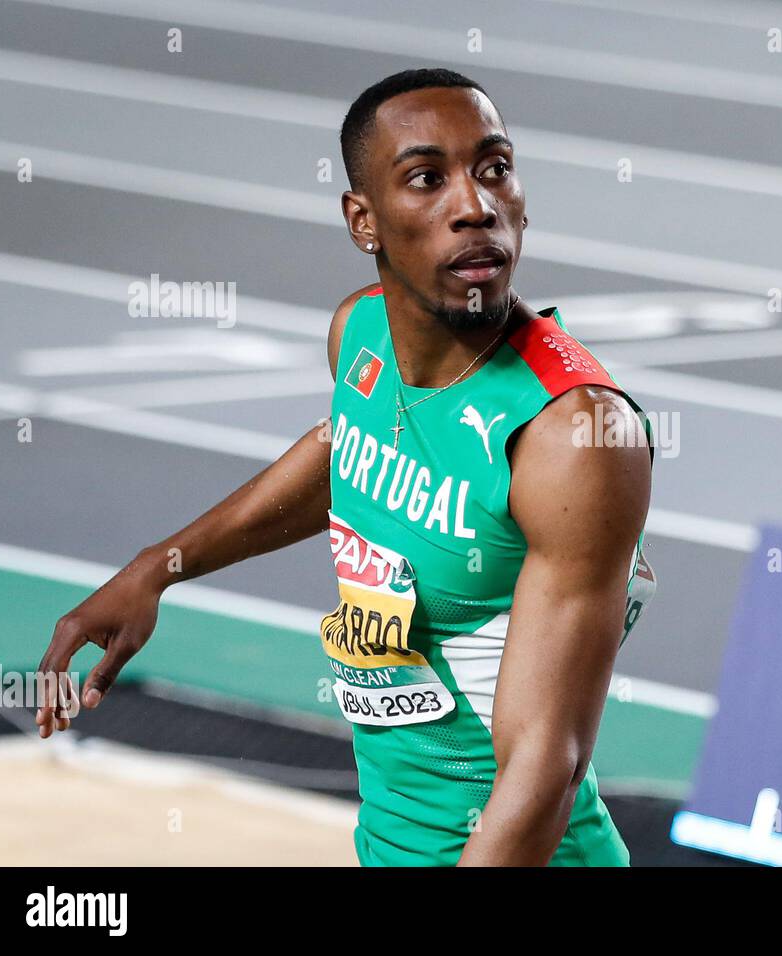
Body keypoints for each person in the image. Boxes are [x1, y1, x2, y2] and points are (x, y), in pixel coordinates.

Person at [35, 67, 656, 867]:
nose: (475, 205)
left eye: (494, 168)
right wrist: (159, 568)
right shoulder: (359, 336)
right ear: (363, 220)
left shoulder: (572, 436)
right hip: (388, 844)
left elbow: (545, 769)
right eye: (427, 179)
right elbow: (345, 451)